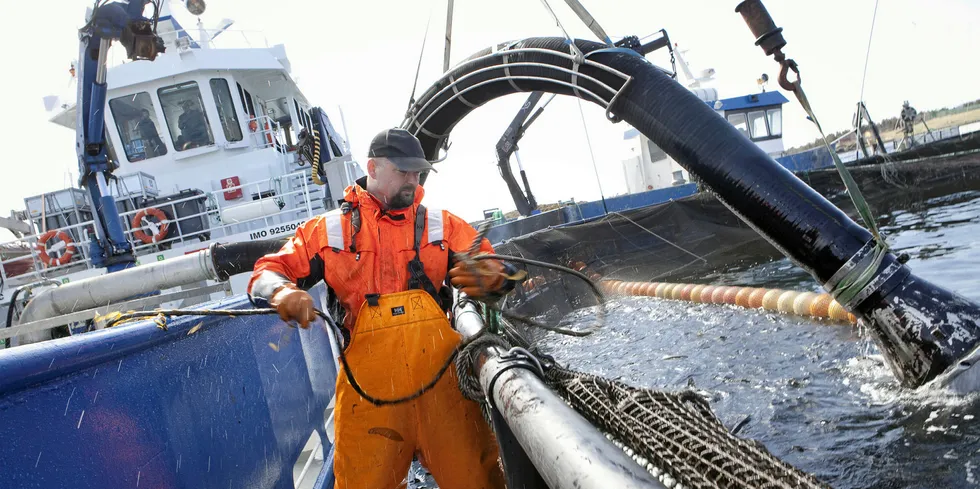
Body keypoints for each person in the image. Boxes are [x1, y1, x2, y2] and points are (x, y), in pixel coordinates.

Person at [248, 128, 518, 489]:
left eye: (417, 172)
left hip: (443, 392)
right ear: (372, 168)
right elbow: (266, 272)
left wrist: (497, 278)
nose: (412, 180)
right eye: (402, 171)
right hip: (369, 400)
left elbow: (499, 268)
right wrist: (281, 292)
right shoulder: (329, 231)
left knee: (480, 482)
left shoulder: (443, 226)